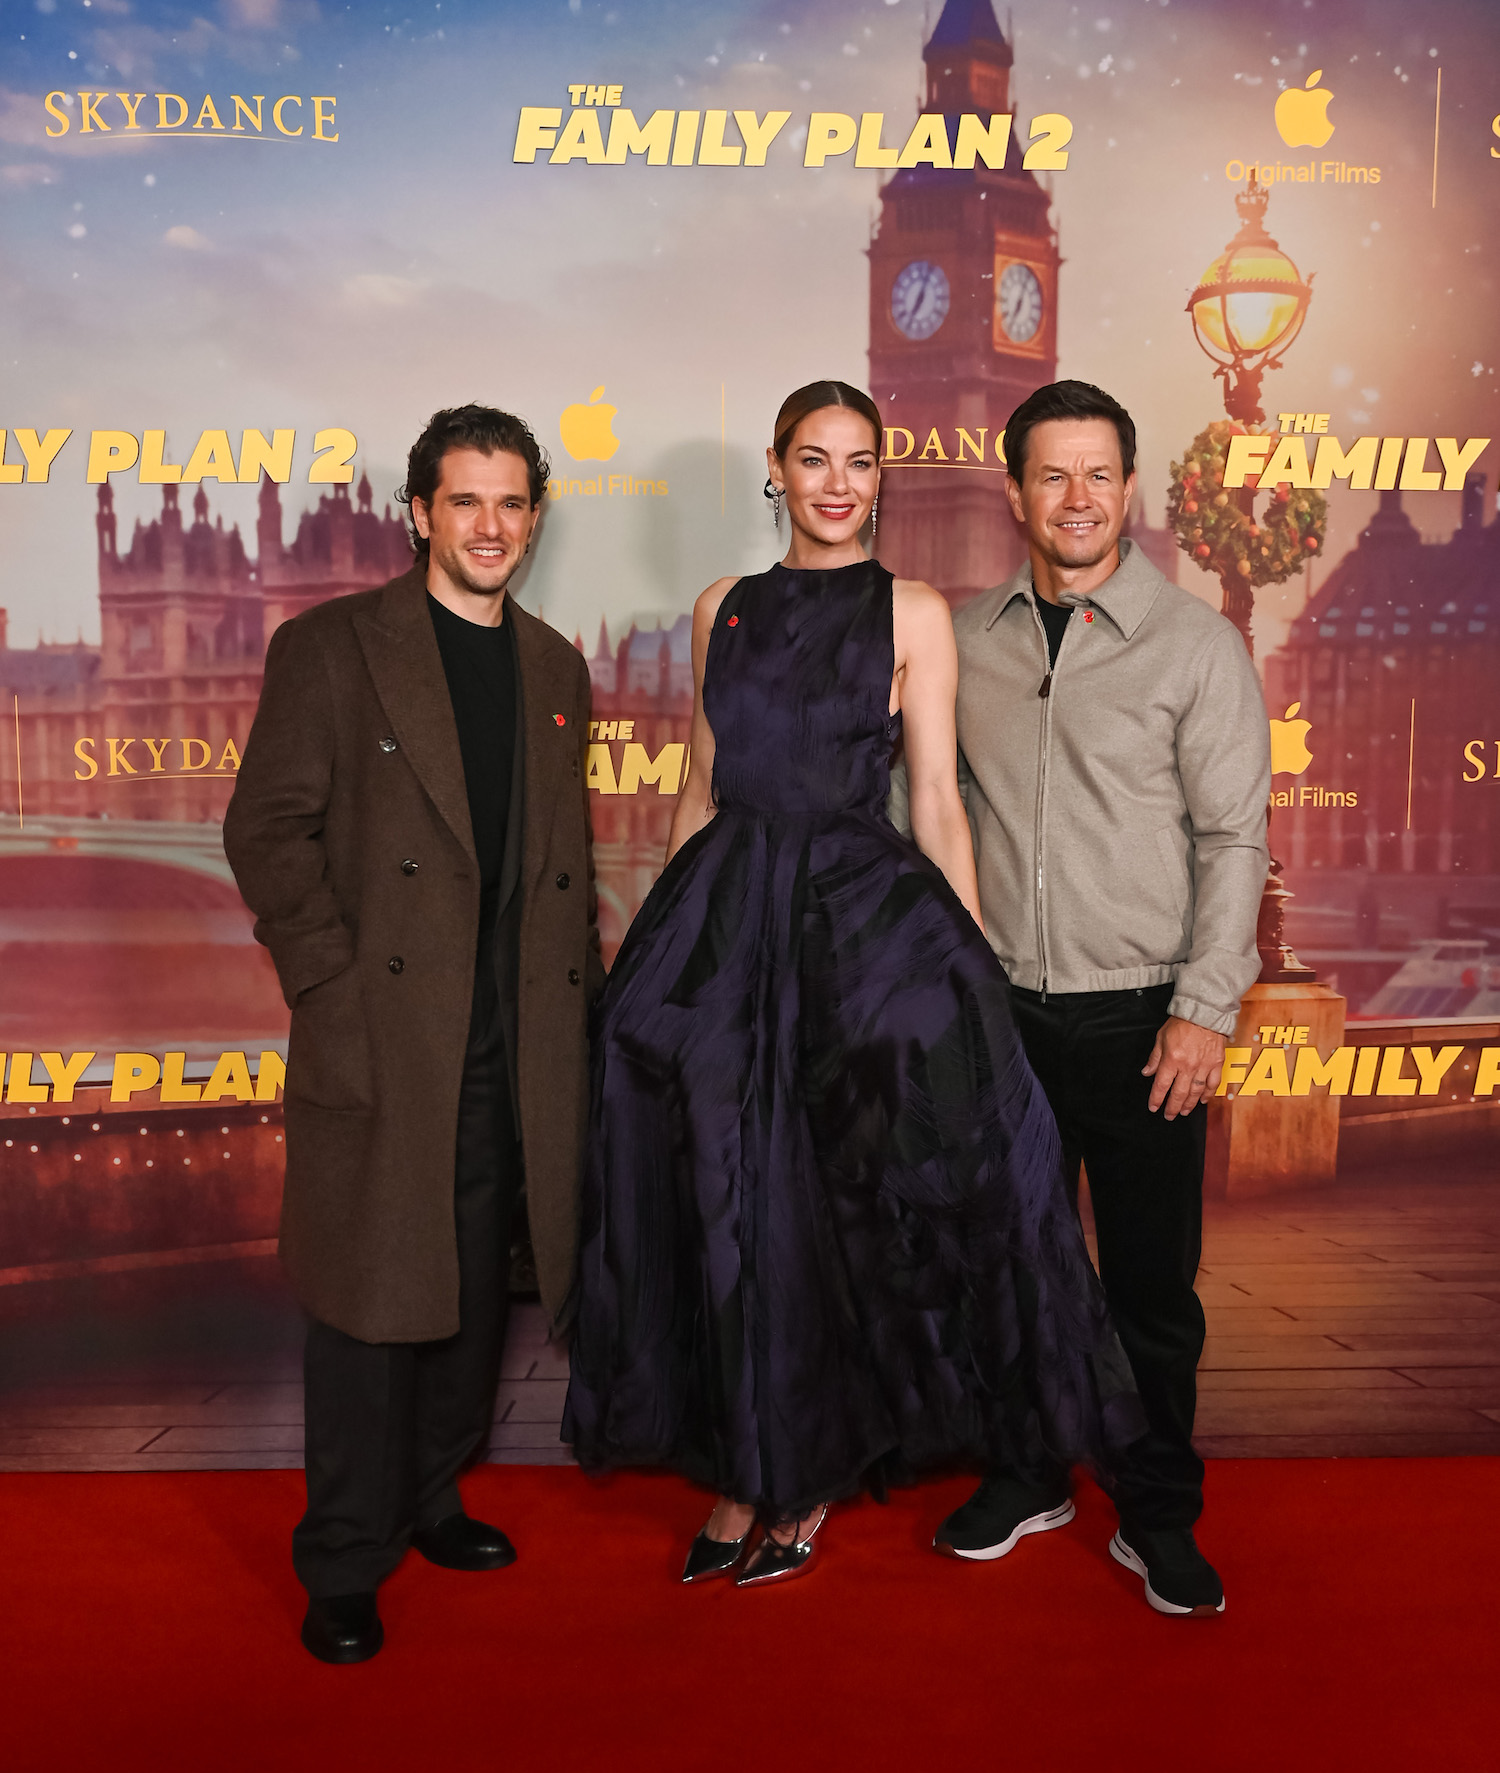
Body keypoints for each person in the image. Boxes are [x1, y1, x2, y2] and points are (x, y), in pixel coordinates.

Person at [563, 379, 1136, 1586]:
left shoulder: (911, 611)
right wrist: (661, 944)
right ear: (777, 471)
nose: (837, 483)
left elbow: (934, 797)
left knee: (827, 1205)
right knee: (728, 1197)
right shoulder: (723, 607)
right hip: (728, 918)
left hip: (855, 922)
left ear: (882, 480)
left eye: (860, 462)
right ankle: (744, 1471)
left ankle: (804, 1471)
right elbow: (699, 787)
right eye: (814, 459)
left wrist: (971, 964)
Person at [224, 405, 601, 1662]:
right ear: (420, 514)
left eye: (512, 503)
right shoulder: (333, 648)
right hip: (387, 1031)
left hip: (513, 1039)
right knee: (368, 1296)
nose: (490, 526)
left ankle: (433, 1496)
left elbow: (558, 870)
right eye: (465, 501)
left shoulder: (554, 669)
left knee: (474, 1290)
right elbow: (265, 830)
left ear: (534, 518)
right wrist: (330, 984)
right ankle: (343, 1554)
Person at [949, 378, 1270, 1616]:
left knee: (1149, 1291)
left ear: (1130, 490)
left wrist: (1205, 1008)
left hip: (1145, 1019)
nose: (1075, 498)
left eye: (1098, 474)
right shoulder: (963, 640)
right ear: (1015, 491)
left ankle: (1157, 1512)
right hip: (999, 1019)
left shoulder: (1196, 644)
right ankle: (1028, 1473)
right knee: (1008, 1271)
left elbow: (1233, 839)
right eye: (1052, 475)